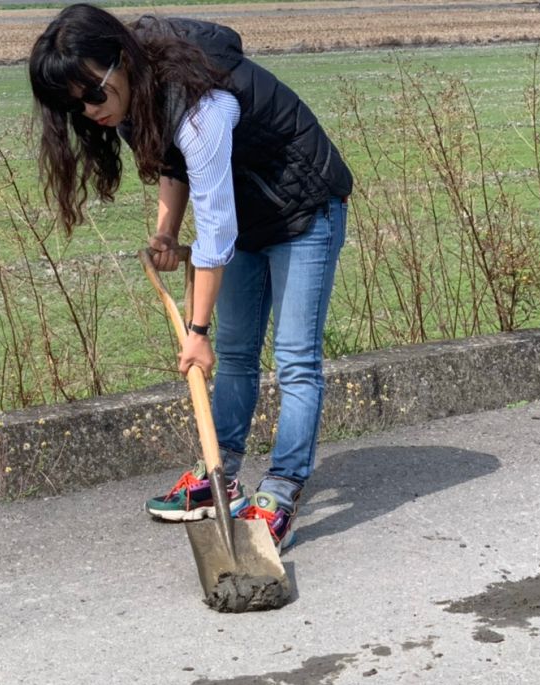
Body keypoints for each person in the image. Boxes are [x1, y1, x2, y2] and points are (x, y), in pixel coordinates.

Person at [29, 4, 352, 550]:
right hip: (250, 216)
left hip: (304, 210)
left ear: (121, 62)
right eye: (74, 105)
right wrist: (166, 232)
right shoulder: (133, 94)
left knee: (295, 358)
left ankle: (282, 489)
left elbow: (216, 226)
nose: (88, 111)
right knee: (237, 350)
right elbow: (173, 165)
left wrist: (196, 332)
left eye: (94, 95)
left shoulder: (203, 101)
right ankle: (219, 477)